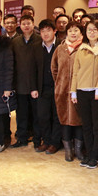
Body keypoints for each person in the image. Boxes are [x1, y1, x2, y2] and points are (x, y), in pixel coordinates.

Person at [71, 20, 98, 168]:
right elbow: (75, 72)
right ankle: (89, 153)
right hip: (82, 91)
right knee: (86, 125)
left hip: (96, 92)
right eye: (89, 30)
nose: (92, 32)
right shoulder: (81, 49)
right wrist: (73, 91)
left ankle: (96, 155)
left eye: (94, 29)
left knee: (97, 125)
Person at [51, 21, 85, 162]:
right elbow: (54, 68)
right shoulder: (60, 48)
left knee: (79, 120)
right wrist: (60, 82)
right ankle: (68, 150)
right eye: (70, 30)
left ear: (81, 33)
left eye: (76, 30)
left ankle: (78, 149)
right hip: (62, 91)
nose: (73, 33)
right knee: (64, 120)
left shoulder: (84, 48)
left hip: (79, 91)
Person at [10, 14, 42, 149]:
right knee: (21, 114)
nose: (26, 26)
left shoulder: (40, 39)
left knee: (37, 114)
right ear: (20, 26)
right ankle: (21, 138)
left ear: (33, 24)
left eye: (28, 23)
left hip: (36, 85)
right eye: (23, 24)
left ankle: (37, 139)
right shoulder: (15, 41)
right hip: (20, 84)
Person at [33, 19, 61, 154]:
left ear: (54, 31)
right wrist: (33, 88)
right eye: (42, 31)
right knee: (43, 116)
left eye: (48, 30)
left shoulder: (61, 45)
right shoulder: (36, 47)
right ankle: (46, 141)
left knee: (57, 116)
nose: (45, 34)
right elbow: (32, 69)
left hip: (58, 88)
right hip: (42, 88)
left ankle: (55, 143)